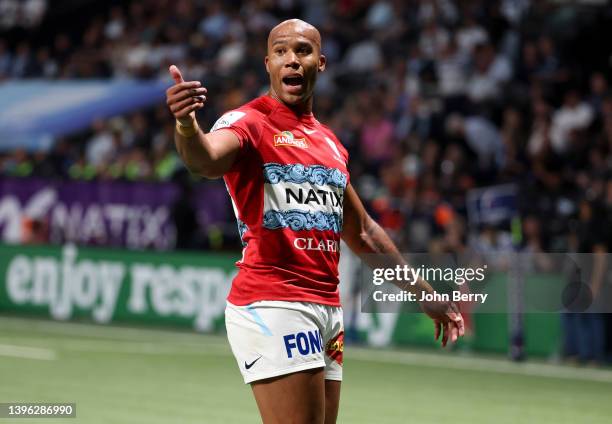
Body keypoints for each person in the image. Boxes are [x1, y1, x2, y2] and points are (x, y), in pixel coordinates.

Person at [166, 19, 464, 424]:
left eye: (303, 51)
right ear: (267, 63)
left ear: (320, 63)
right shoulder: (248, 123)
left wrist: (426, 296)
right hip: (273, 301)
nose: (293, 60)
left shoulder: (330, 143)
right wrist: (186, 124)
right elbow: (203, 159)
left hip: (325, 308)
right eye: (282, 52)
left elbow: (362, 232)